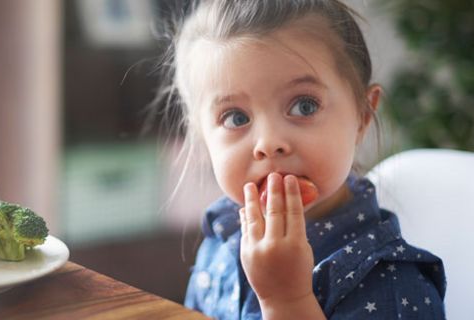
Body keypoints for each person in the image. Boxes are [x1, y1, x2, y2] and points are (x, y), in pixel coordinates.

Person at [150, 0, 447, 319]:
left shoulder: (394, 287)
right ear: (202, 136)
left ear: (361, 116)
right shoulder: (221, 235)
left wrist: (287, 301)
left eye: (304, 106)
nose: (269, 143)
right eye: (236, 118)